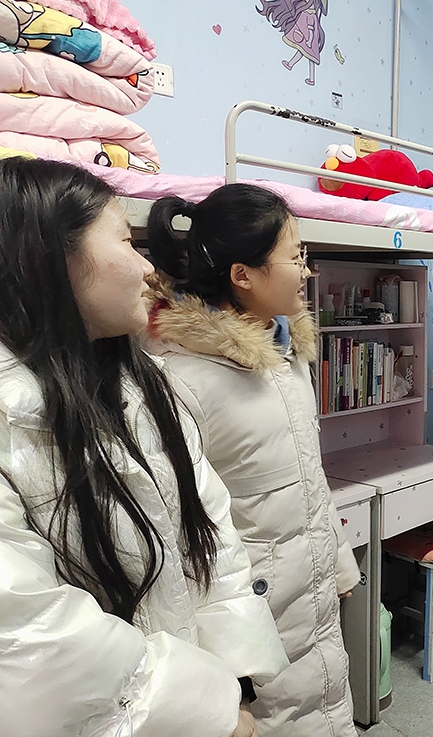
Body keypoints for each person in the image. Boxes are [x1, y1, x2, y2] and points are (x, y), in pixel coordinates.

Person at [0, 157, 288, 737]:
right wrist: (207, 711)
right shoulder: (16, 422)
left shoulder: (143, 386)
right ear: (51, 259)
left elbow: (211, 533)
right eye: (126, 243)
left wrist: (235, 683)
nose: (149, 267)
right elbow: (29, 631)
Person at [144, 183, 361, 736]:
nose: (307, 271)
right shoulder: (182, 380)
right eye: (296, 258)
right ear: (243, 275)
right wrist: (230, 681)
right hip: (256, 617)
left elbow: (309, 479)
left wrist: (338, 561)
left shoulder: (288, 358)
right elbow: (183, 540)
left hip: (311, 594)